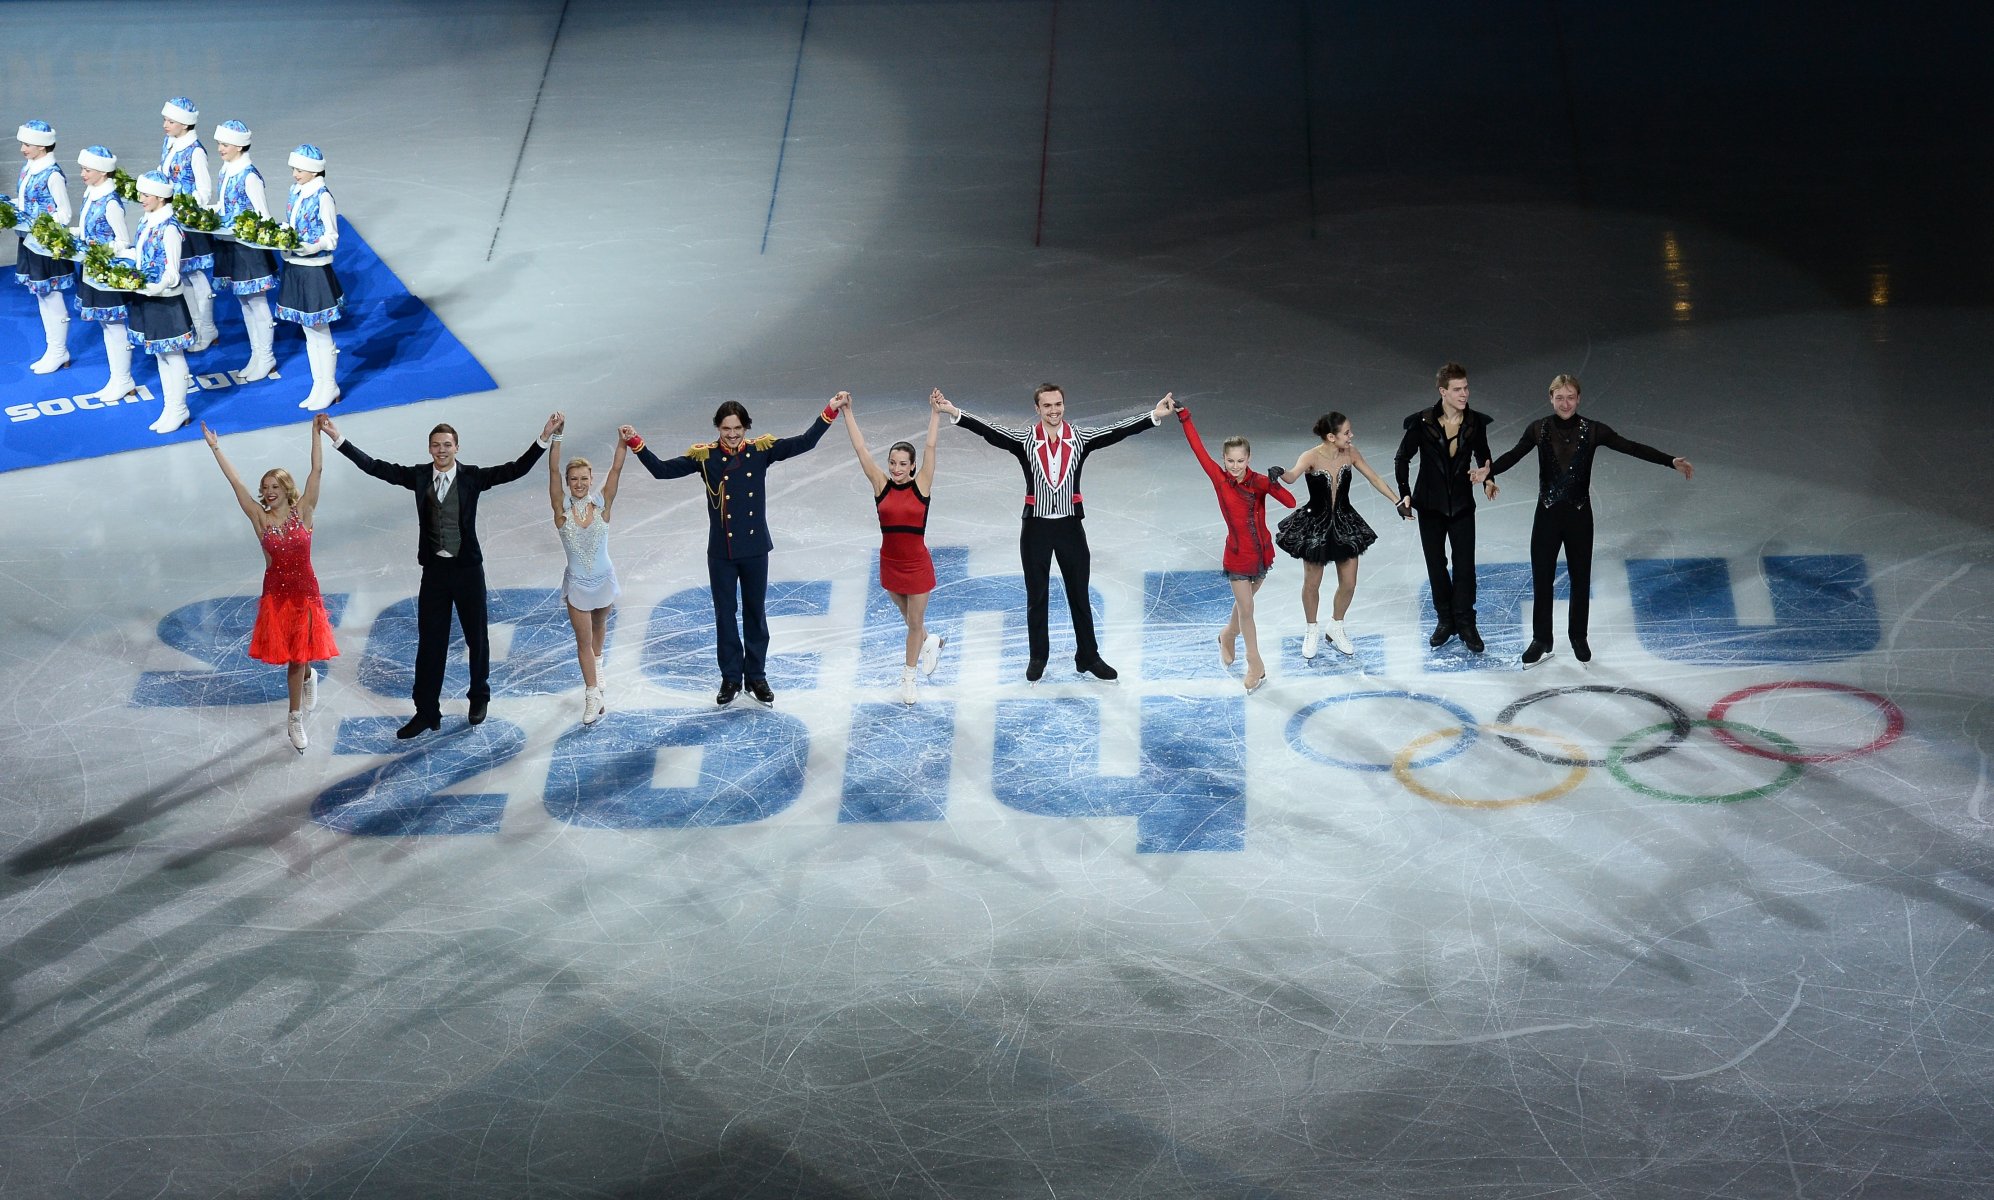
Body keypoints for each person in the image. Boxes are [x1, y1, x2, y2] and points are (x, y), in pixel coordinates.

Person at [319, 411, 560, 737]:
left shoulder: (472, 477)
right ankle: (427, 712)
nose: (442, 450)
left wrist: (543, 437)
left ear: (457, 447)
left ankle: (479, 697)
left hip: (467, 571)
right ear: (430, 449)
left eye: (447, 444)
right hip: (434, 573)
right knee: (431, 643)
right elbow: (376, 467)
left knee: (476, 637)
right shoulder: (419, 477)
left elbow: (515, 470)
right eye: (436, 445)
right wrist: (338, 439)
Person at [934, 384, 1175, 682]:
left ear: (1064, 404)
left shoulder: (1079, 438)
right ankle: (1038, 656)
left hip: (1070, 528)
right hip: (1035, 528)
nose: (1053, 410)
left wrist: (1153, 414)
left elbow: (1115, 431)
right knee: (1037, 596)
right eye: (1047, 405)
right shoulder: (1025, 441)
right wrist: (954, 412)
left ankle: (1087, 656)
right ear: (1037, 409)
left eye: (1058, 404)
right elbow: (990, 430)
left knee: (1079, 595)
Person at [620, 393, 848, 706]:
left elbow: (804, 442)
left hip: (755, 548)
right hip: (722, 553)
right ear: (717, 428)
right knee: (725, 616)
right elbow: (662, 470)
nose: (732, 434)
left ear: (746, 428)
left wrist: (830, 410)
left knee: (756, 613)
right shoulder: (706, 458)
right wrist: (636, 443)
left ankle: (756, 676)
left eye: (737, 428)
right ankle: (730, 677)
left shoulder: (760, 451)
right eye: (726, 429)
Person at [1475, 374, 1694, 666]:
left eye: (1570, 397)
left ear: (1578, 399)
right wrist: (1488, 473)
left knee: (1580, 578)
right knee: (1542, 578)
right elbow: (1513, 455)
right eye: (1559, 397)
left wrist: (1669, 461)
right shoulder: (1538, 429)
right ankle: (1542, 639)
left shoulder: (1593, 430)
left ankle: (1578, 636)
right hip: (1547, 515)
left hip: (1579, 516)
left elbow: (1631, 447)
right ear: (1550, 398)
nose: (1565, 403)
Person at [201, 420, 339, 753]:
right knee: (295, 655)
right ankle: (308, 680)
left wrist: (315, 434)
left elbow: (316, 471)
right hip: (277, 596)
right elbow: (235, 482)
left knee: (298, 655)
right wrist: (215, 447)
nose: (268, 490)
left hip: (306, 593)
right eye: (265, 486)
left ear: (286, 488)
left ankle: (294, 717)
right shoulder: (259, 518)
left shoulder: (304, 510)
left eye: (274, 485)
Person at [1177, 406, 1295, 692]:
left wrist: (1275, 483)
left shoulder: (1258, 482)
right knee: (1247, 610)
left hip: (1263, 555)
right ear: (1224, 459)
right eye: (1230, 460)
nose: (1234, 465)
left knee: (1244, 606)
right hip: (1237, 556)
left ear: (1249, 458)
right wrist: (1185, 417)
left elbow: (1290, 503)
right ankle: (1255, 663)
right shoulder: (1220, 480)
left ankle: (1227, 634)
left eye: (1240, 460)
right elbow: (1198, 449)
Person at [1270, 411, 1404, 659]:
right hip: (1315, 525)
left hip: (1345, 522)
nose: (1351, 436)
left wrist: (1397, 502)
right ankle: (1312, 630)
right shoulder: (1310, 456)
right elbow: (1291, 476)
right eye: (1346, 433)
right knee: (1312, 583)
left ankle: (1336, 626)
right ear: (1331, 437)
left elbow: (1374, 477)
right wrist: (1279, 473)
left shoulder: (1351, 453)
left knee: (1349, 583)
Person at [841, 390, 945, 704]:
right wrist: (847, 412)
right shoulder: (880, 485)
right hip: (890, 563)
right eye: (892, 462)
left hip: (917, 565)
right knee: (910, 620)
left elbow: (929, 446)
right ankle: (930, 642)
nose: (896, 468)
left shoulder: (922, 484)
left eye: (903, 464)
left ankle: (908, 679)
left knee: (914, 624)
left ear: (913, 466)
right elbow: (860, 448)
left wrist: (935, 413)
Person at [1393, 363, 1498, 652]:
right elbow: (1402, 458)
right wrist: (1405, 493)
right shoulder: (1422, 422)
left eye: (1466, 388)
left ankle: (1465, 621)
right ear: (1443, 391)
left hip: (1463, 504)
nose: (1464, 393)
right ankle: (1445, 620)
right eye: (1457, 389)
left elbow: (1484, 457)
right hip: (1429, 505)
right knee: (1437, 564)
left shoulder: (1475, 422)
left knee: (1465, 566)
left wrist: (1488, 480)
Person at [547, 429, 627, 726]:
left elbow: (617, 467)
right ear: (567, 483)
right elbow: (552, 469)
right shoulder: (561, 510)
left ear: (591, 479)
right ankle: (592, 694)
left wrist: (622, 441)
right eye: (573, 479)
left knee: (600, 624)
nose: (579, 484)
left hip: (604, 579)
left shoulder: (603, 504)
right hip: (578, 586)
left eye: (584, 478)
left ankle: (599, 662)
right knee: (583, 641)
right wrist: (557, 438)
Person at [208, 120, 280, 381]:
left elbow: (263, 216)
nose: (219, 148)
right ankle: (256, 354)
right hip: (230, 246)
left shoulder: (249, 175)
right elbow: (226, 204)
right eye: (219, 143)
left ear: (239, 146)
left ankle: (267, 355)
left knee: (257, 303)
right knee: (244, 303)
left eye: (224, 144)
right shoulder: (226, 169)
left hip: (248, 250)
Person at [128, 171, 198, 434]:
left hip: (165, 300)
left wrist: (156, 286)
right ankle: (170, 407)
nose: (141, 198)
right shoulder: (146, 221)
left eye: (146, 194)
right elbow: (141, 255)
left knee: (172, 353)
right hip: (147, 295)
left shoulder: (169, 228)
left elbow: (172, 271)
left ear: (160, 196)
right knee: (160, 354)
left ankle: (180, 408)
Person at [277, 144, 343, 411]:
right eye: (294, 168)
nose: (295, 174)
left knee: (320, 330)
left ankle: (329, 384)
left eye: (300, 169)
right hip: (295, 265)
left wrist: (310, 246)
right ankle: (319, 384)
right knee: (308, 331)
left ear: (314, 171)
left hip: (315, 269)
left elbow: (332, 237)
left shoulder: (323, 196)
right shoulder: (296, 191)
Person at [71, 145, 137, 403]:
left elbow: (123, 241)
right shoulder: (92, 193)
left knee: (114, 325)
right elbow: (88, 229)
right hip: (93, 268)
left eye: (87, 169)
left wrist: (101, 249)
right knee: (105, 325)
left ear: (102, 171)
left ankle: (123, 378)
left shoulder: (111, 202)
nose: (82, 174)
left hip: (107, 271)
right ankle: (116, 377)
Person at [156, 97, 218, 350]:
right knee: (183, 275)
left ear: (185, 123)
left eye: (170, 121)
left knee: (196, 275)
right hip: (171, 219)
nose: (165, 125)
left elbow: (204, 191)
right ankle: (195, 326)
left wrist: (185, 207)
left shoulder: (195, 151)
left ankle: (208, 328)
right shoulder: (169, 143)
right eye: (165, 120)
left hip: (188, 223)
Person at [15, 119, 73, 374]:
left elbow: (65, 214)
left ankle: (60, 350)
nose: (22, 149)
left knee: (52, 294)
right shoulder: (29, 168)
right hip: (30, 240)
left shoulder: (53, 175)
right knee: (41, 295)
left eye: (27, 144)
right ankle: (52, 348)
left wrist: (38, 222)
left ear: (42, 146)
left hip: (48, 244)